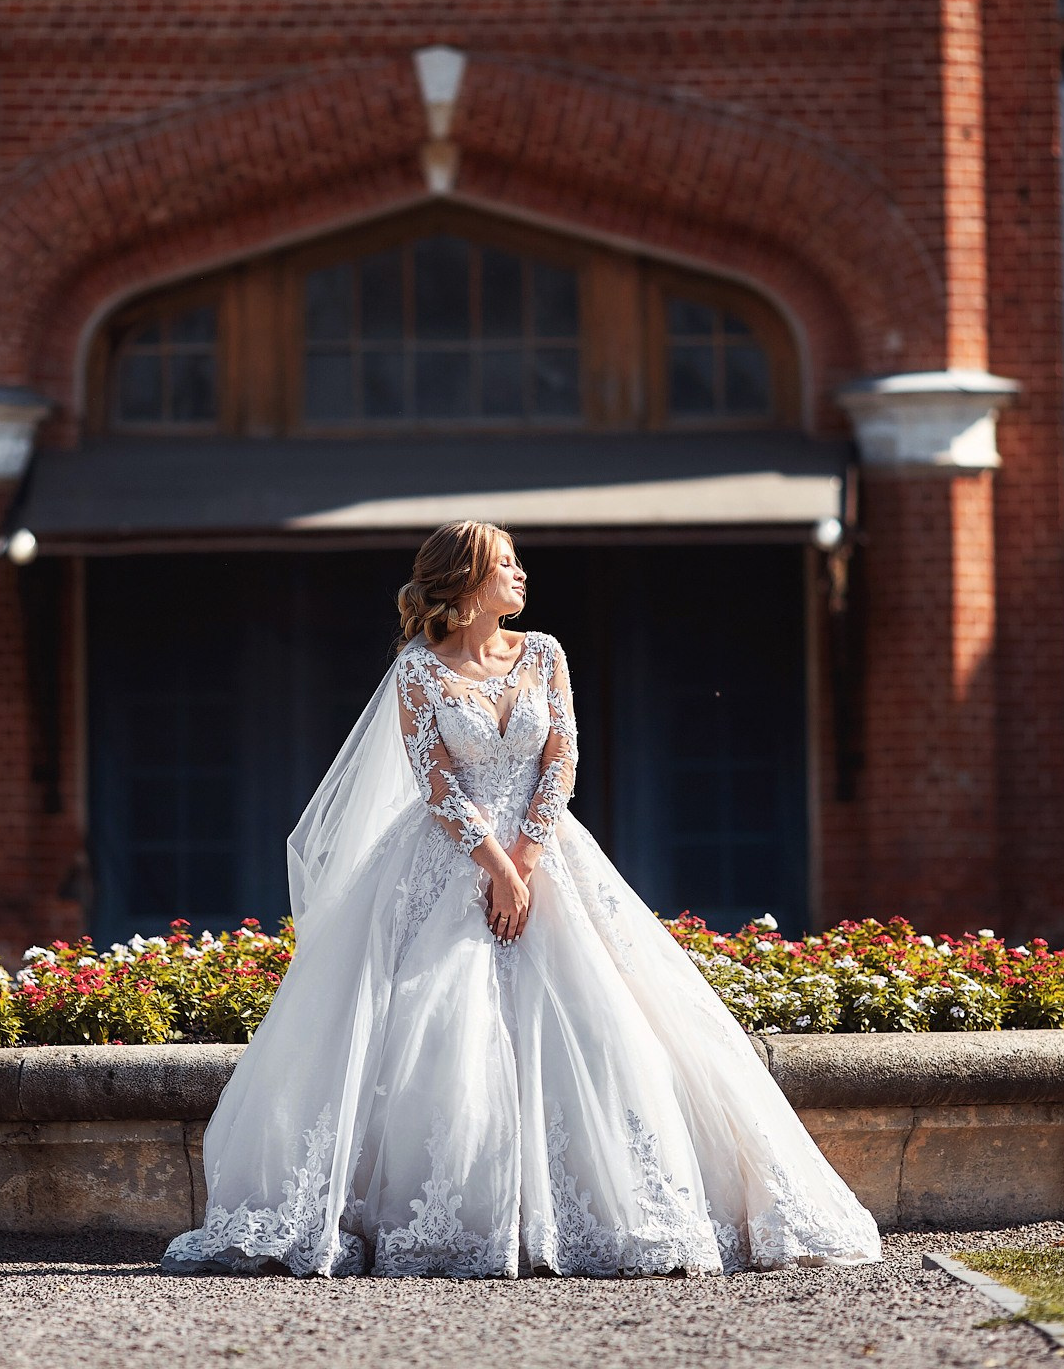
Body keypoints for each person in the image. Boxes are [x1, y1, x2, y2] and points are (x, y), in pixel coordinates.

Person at [162, 521, 881, 1278]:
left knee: (611, 1027)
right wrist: (493, 866)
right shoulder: (418, 672)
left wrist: (526, 861)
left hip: (549, 857)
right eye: (506, 565)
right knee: (436, 1029)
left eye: (517, 563)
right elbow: (432, 779)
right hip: (446, 859)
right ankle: (443, 1222)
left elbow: (562, 756)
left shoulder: (544, 652)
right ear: (467, 584)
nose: (521, 575)